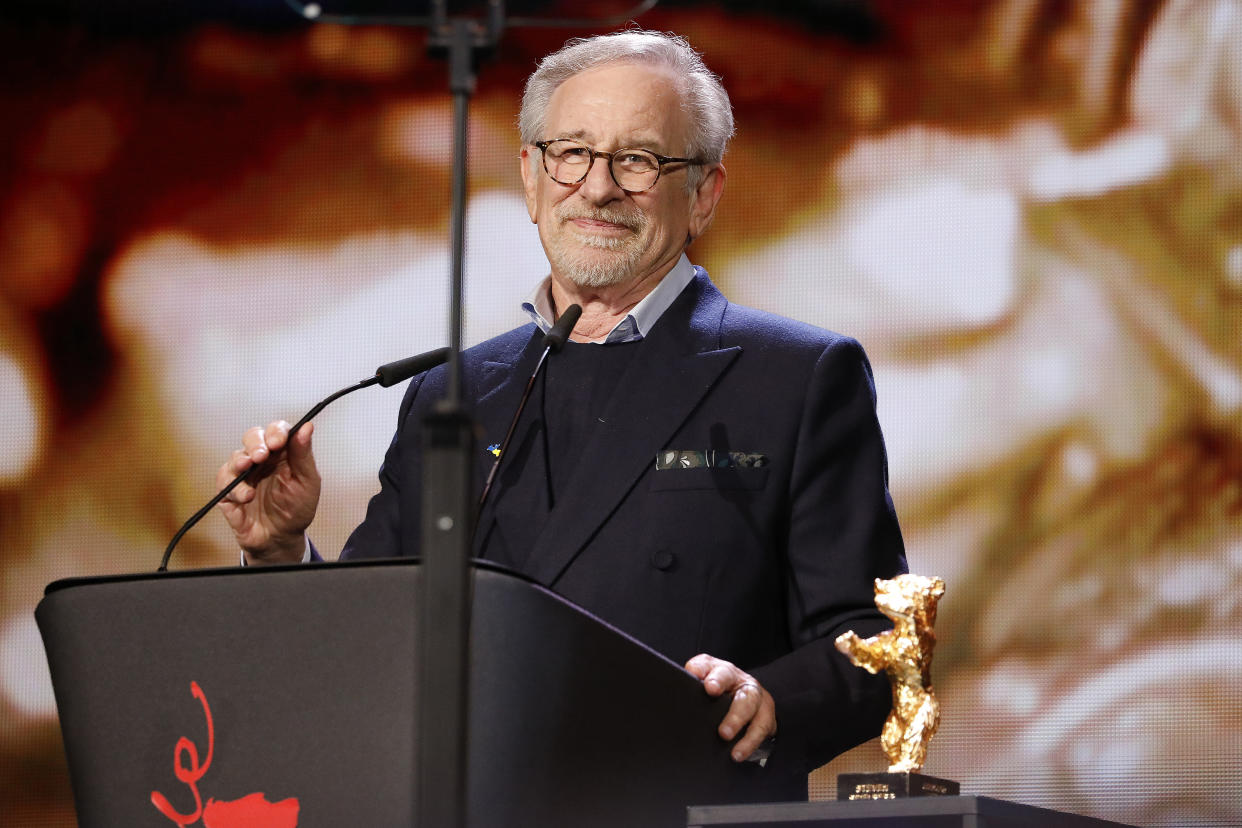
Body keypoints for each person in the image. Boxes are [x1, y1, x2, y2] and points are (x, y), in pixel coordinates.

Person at [217, 29, 906, 793]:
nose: (599, 187)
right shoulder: (451, 395)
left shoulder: (798, 376)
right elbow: (368, 640)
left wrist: (773, 700)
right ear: (532, 176)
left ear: (705, 192)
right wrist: (282, 551)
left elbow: (876, 641)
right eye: (571, 153)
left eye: (638, 159)